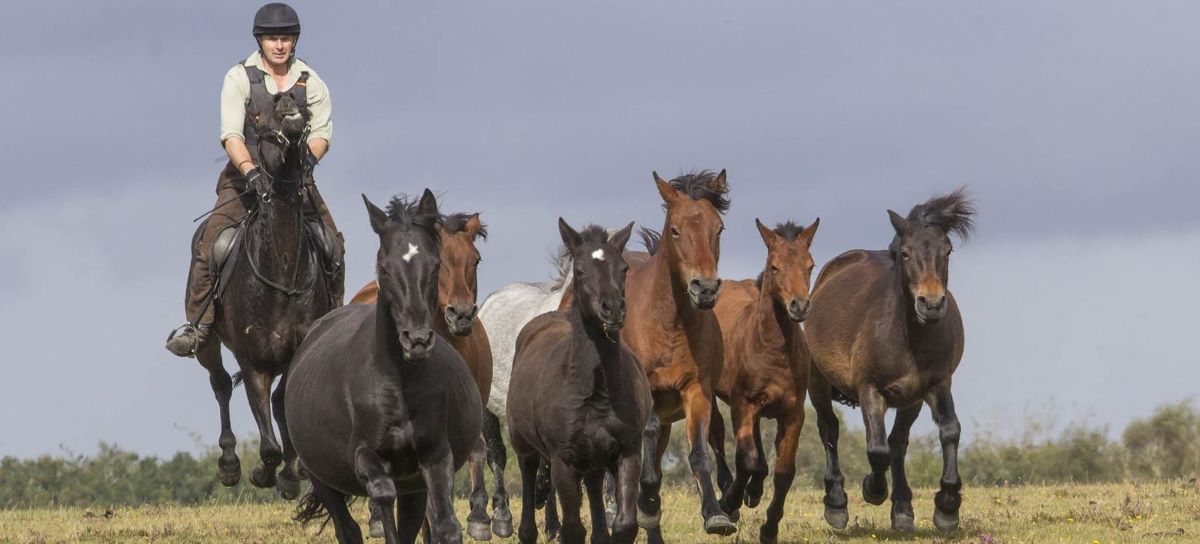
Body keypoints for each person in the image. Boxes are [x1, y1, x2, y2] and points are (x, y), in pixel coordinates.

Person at [166, 2, 344, 357]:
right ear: (260, 41)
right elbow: (231, 135)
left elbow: (322, 133)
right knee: (211, 242)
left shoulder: (312, 82)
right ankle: (199, 325)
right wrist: (251, 173)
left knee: (332, 244)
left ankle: (335, 323)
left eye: (286, 38)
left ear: (295, 41)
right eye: (272, 38)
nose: (279, 45)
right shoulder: (239, 78)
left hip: (296, 182)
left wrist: (306, 162)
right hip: (245, 179)